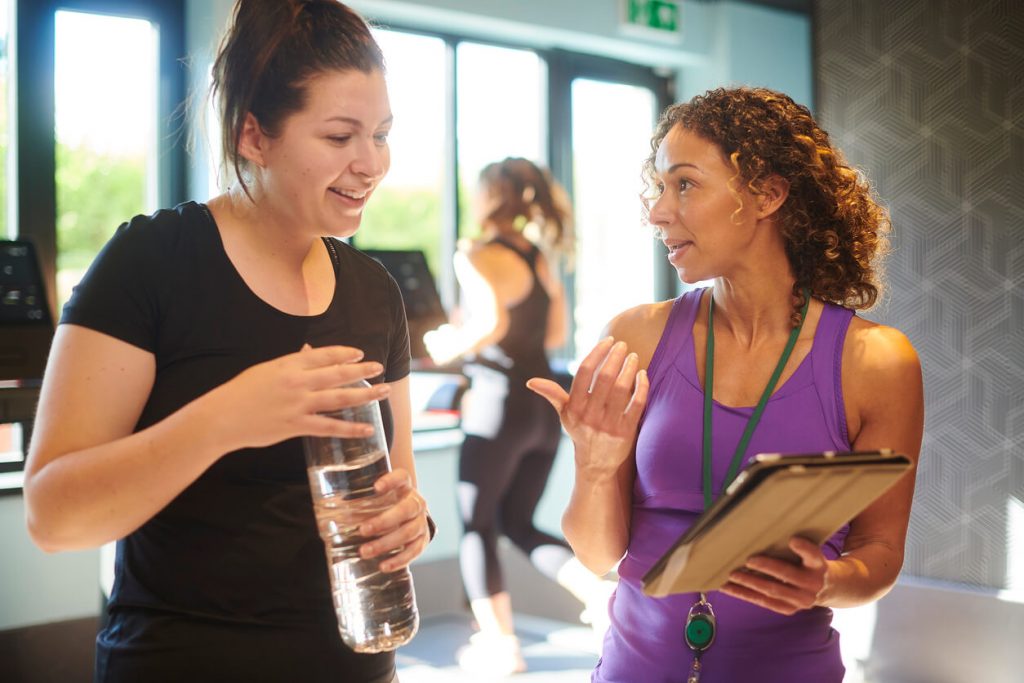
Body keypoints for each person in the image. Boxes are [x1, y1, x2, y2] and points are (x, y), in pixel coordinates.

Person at [23, 2, 432, 681]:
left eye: (382, 134)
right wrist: (226, 418)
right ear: (252, 135)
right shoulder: (151, 263)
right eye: (339, 137)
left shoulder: (373, 292)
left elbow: (399, 482)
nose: (371, 164)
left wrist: (411, 522)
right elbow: (51, 515)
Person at [527, 86, 924, 683]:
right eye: (659, 187)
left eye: (684, 184)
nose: (658, 211)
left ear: (766, 194)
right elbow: (597, 554)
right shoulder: (636, 336)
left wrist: (827, 582)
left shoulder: (876, 362)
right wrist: (597, 464)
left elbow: (881, 552)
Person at [424, 158, 613, 675]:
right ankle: (600, 596)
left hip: (496, 404)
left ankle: (501, 646)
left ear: (490, 196)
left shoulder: (476, 253)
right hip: (544, 404)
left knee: (477, 525)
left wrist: (442, 347)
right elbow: (553, 335)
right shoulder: (538, 258)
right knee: (520, 523)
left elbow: (489, 321)